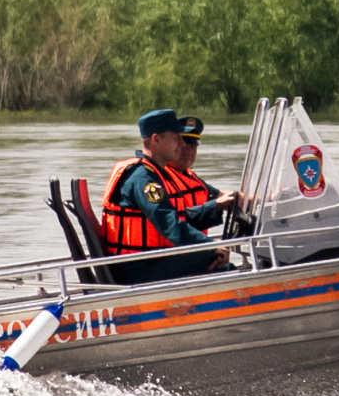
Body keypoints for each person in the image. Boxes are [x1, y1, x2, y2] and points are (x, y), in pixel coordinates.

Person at [100, 109, 243, 284]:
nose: (182, 144)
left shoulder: (155, 174)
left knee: (209, 257)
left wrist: (216, 208)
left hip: (147, 262)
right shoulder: (144, 179)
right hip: (137, 270)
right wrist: (210, 247)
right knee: (219, 265)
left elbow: (179, 217)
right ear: (156, 140)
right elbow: (169, 225)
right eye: (176, 138)